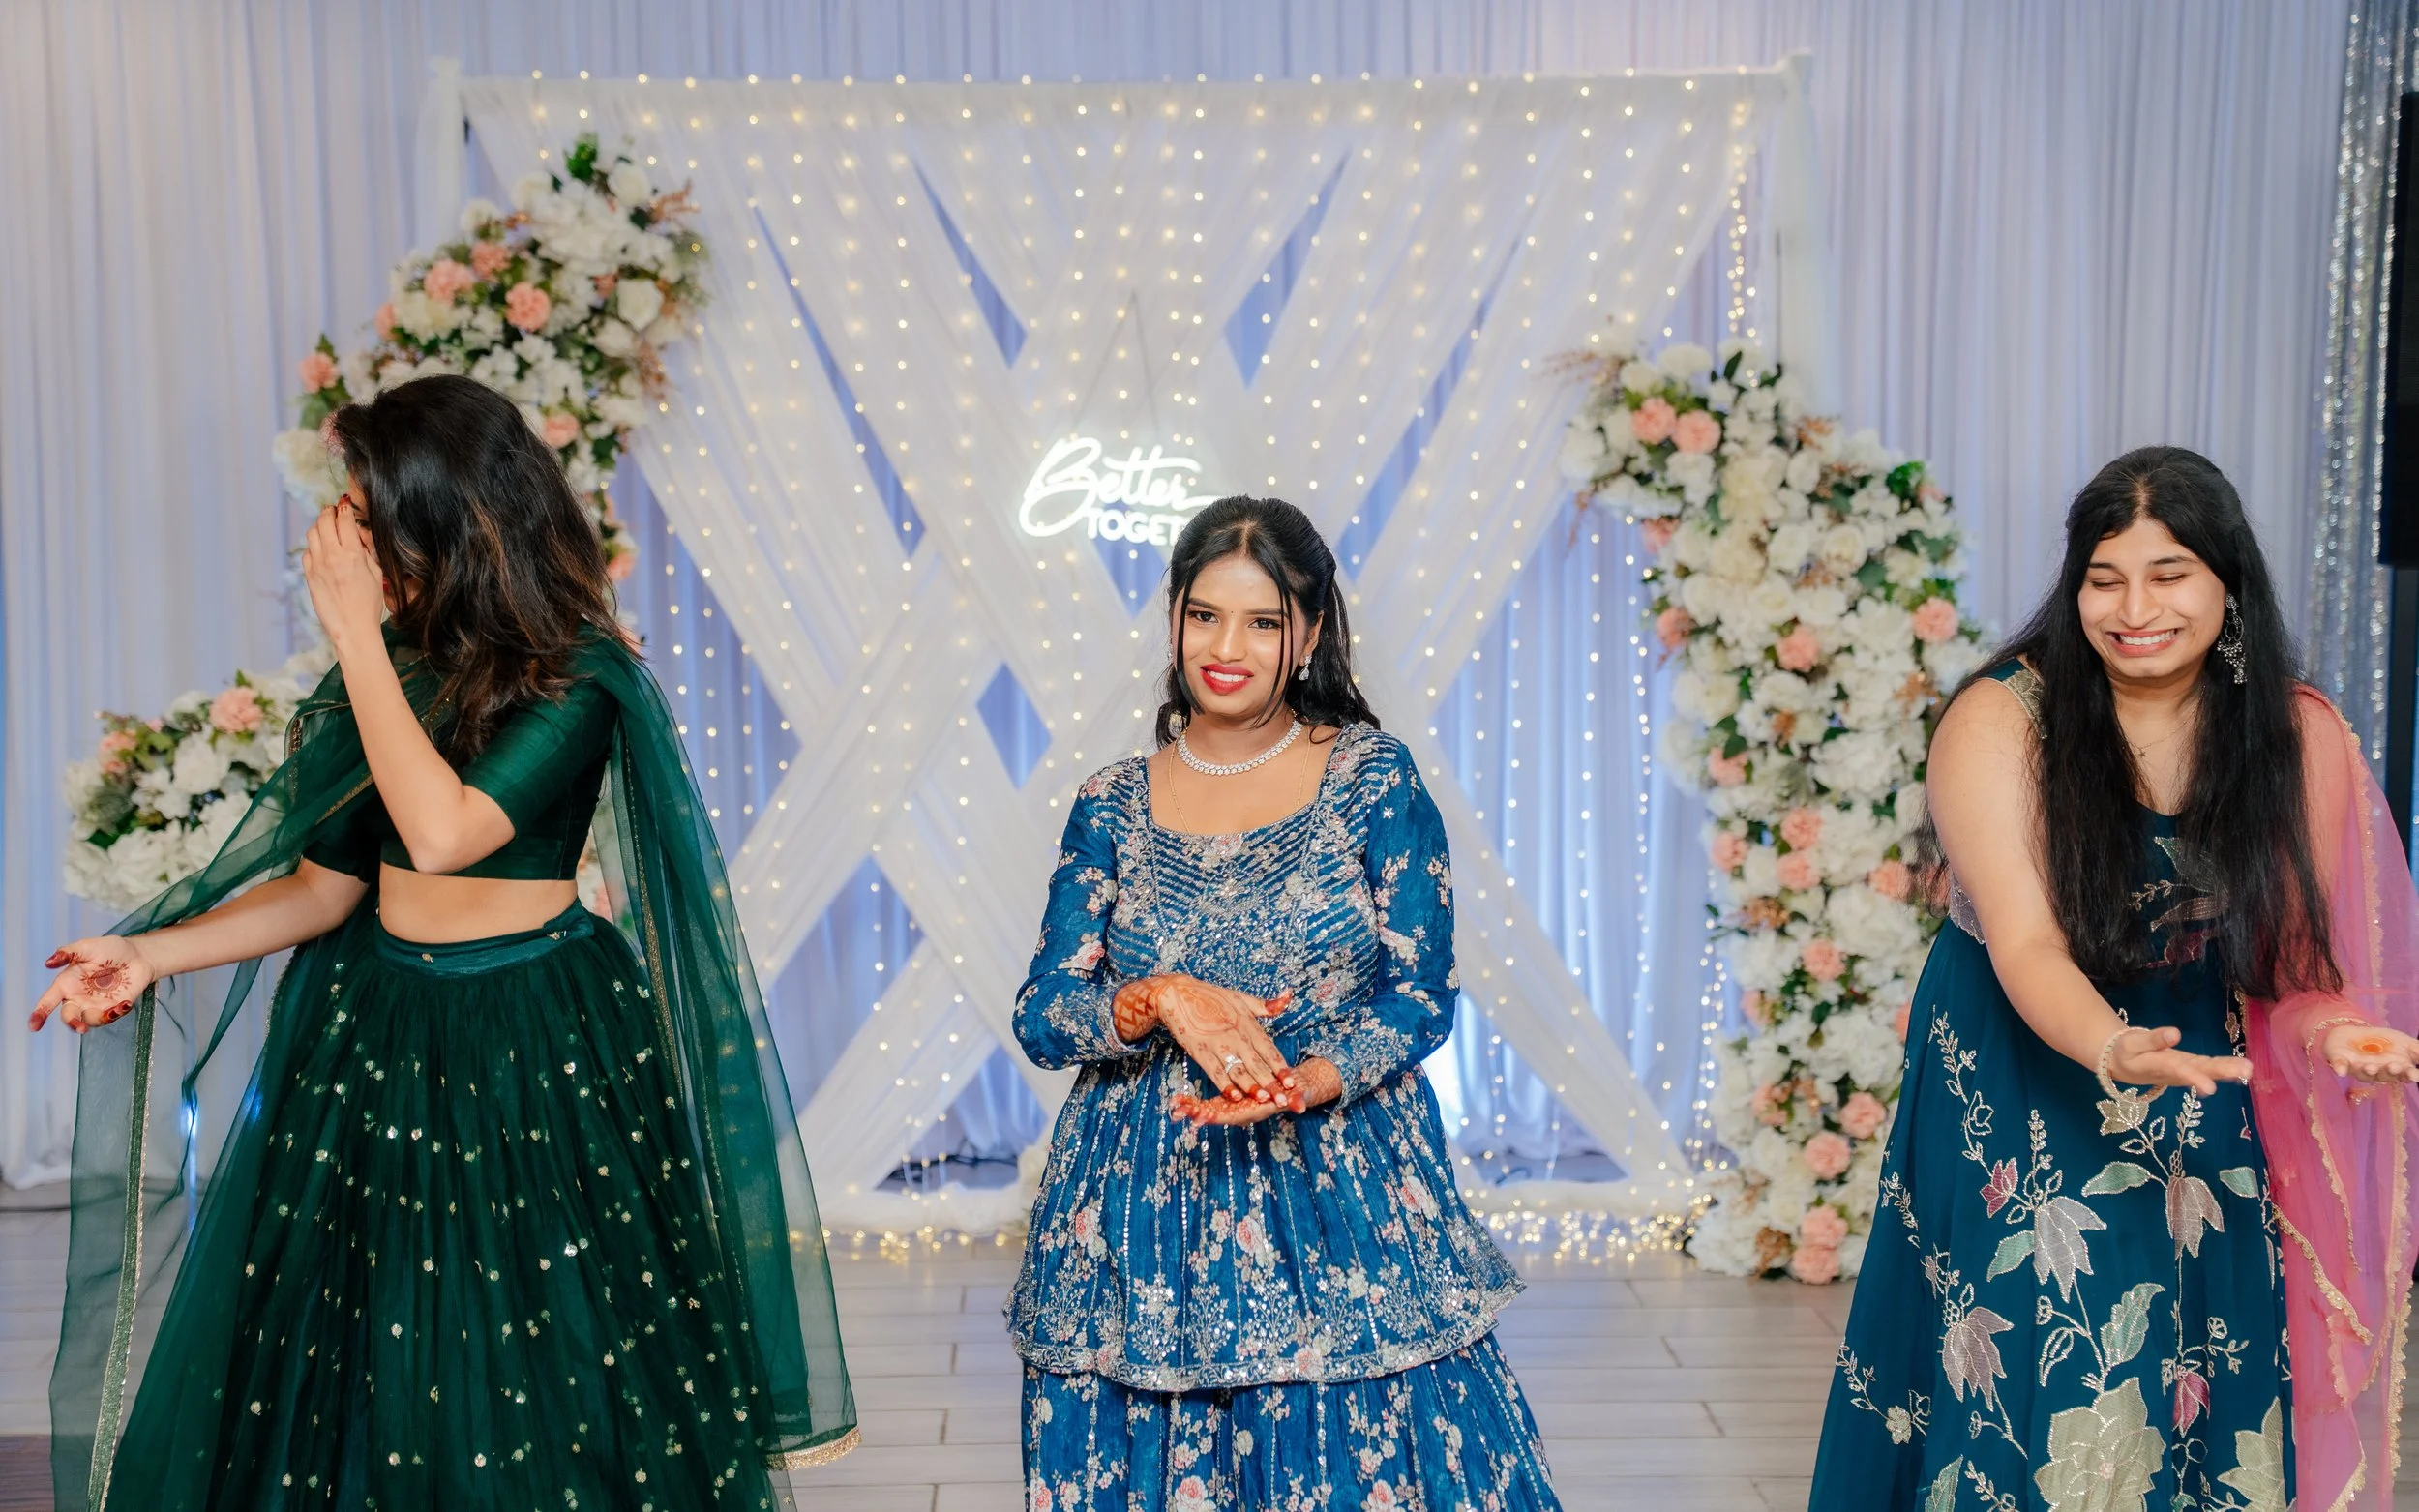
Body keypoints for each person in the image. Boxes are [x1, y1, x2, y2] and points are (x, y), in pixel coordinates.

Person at [32, 374, 856, 1511]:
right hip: (375, 1030)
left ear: (444, 520)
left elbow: (446, 833)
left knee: (545, 1348)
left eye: (365, 515)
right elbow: (325, 889)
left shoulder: (580, 671)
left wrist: (357, 643)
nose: (343, 541)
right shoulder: (391, 664)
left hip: (534, 1035)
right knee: (368, 1350)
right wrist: (151, 955)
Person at [1807, 447, 2419, 1511]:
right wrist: (2108, 1045)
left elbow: (2290, 970)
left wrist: (2335, 1033)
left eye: (2169, 574)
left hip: (2201, 1059)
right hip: (2018, 1049)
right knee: (2050, 1343)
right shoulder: (2003, 719)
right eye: (2105, 579)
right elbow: (2026, 945)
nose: (2135, 610)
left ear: (2227, 582)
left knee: (2202, 1344)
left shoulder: (2295, 733)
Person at [1004, 495, 1562, 1512]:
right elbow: (1043, 1014)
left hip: (1339, 1191)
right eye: (1205, 615)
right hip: (1138, 1212)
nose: (1228, 649)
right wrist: (1159, 999)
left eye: (1263, 622)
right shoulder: (1110, 803)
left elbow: (1420, 995)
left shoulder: (1369, 778)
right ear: (1173, 616)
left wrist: (1307, 1080)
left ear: (1307, 634)